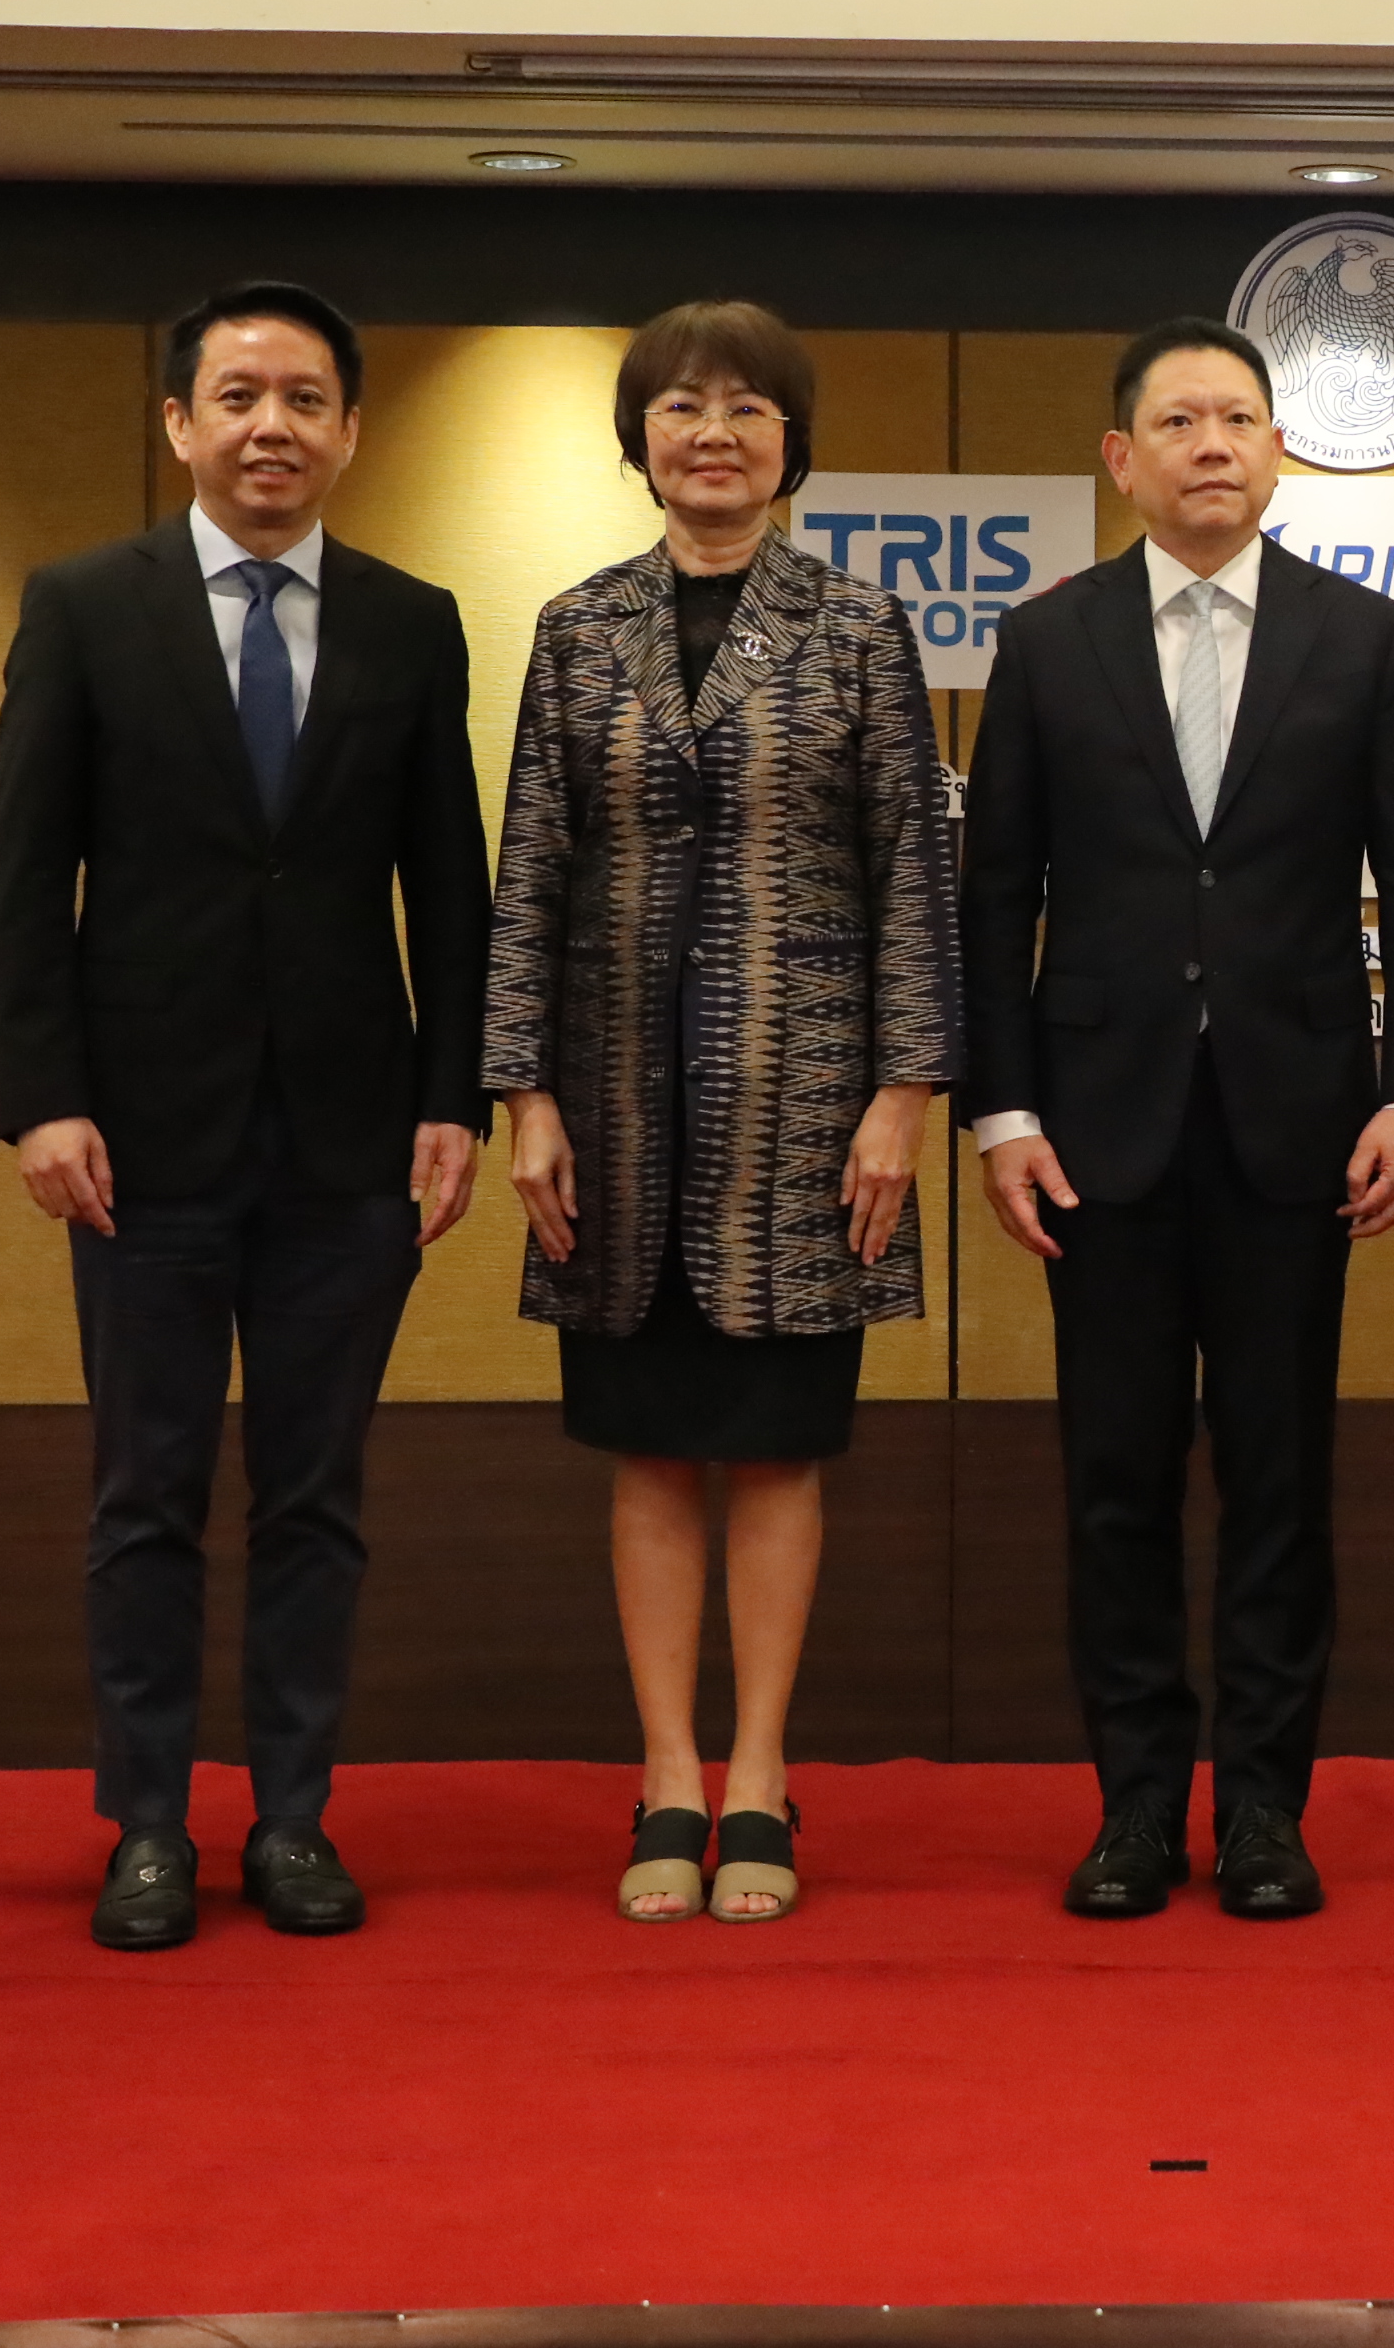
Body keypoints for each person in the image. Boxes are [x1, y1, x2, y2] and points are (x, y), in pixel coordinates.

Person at [0, 279, 488, 1951]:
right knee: (146, 1495)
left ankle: (289, 1822)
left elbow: (451, 890)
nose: (273, 424)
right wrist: (42, 1101)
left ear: (350, 429)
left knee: (315, 1498)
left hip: (350, 1146)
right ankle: (143, 1826)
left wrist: (453, 1099)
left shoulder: (415, 622)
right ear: (182, 425)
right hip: (140, 1140)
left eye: (306, 398)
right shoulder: (82, 607)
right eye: (239, 395)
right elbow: (23, 881)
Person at [960, 319, 1394, 1922]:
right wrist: (1001, 1111)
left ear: (1278, 448)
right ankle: (1129, 1809)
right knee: (1113, 1478)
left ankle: (1262, 1810)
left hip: (1295, 1128)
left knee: (1278, 1476)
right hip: (1094, 1133)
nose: (1211, 446)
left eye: (1240, 418)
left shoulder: (1363, 638)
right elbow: (995, 902)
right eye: (1177, 421)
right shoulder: (1046, 643)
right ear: (1123, 458)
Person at [484, 301, 958, 1926]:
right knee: (643, 1445)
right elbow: (529, 874)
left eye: (750, 410)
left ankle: (759, 1772)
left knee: (769, 1449)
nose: (715, 435)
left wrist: (903, 1093)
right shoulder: (576, 628)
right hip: (610, 1107)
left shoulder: (856, 630)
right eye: (682, 407)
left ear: (791, 447)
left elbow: (917, 872)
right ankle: (665, 1777)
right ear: (639, 442)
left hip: (803, 1101)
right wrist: (523, 1094)